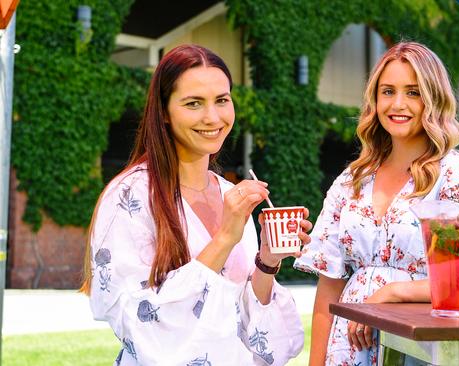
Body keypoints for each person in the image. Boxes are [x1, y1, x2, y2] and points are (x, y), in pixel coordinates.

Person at [80, 44, 310, 365]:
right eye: (193, 103)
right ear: (163, 111)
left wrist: (267, 262)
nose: (212, 117)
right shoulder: (130, 195)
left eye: (222, 100)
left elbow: (243, 323)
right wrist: (224, 238)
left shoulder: (229, 193)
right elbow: (139, 323)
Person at [294, 41, 459, 365]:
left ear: (433, 99)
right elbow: (329, 289)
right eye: (387, 91)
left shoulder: (456, 176)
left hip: (418, 349)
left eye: (413, 92)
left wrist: (392, 293)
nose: (398, 104)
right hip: (348, 350)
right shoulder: (353, 180)